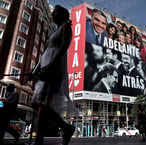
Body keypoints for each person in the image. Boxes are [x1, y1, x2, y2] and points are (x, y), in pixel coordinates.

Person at [31, 5, 76, 145]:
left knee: (41, 104)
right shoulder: (55, 31)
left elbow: (64, 46)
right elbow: (46, 52)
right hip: (47, 67)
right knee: (39, 104)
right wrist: (35, 71)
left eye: (55, 12)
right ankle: (66, 127)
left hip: (54, 68)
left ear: (62, 14)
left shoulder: (65, 27)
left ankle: (40, 140)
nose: (52, 14)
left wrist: (51, 66)